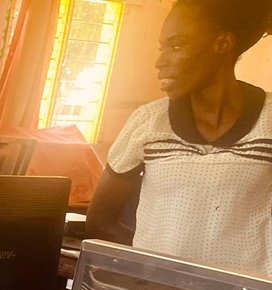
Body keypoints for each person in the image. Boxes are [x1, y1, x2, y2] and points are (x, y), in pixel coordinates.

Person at [87, 0, 272, 275]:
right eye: (163, 48)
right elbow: (101, 219)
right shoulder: (149, 121)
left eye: (177, 46)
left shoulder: (268, 120)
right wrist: (153, 267)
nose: (160, 62)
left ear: (222, 44)